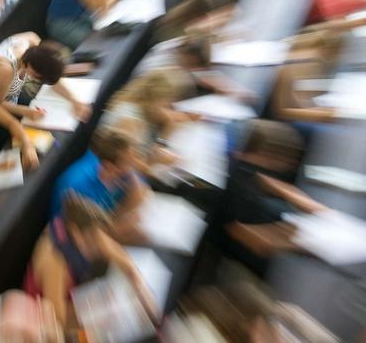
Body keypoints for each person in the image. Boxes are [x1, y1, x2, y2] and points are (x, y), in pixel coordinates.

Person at [24, 195, 159, 330]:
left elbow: (125, 261)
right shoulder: (54, 261)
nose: (97, 244)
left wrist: (141, 289)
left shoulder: (89, 231)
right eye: (90, 241)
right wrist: (99, 314)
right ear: (75, 231)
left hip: (76, 296)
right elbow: (58, 319)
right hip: (44, 313)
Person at [220, 119, 328, 274]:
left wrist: (317, 209)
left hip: (274, 225)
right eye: (288, 160)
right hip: (245, 257)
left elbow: (279, 186)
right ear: (266, 156)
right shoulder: (236, 190)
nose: (290, 164)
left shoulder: (247, 166)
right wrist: (308, 243)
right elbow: (252, 239)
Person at [50, 127, 147, 239]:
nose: (133, 165)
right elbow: (76, 235)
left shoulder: (118, 169)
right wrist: (117, 228)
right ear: (110, 167)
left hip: (99, 224)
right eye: (128, 163)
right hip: (69, 235)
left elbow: (141, 193)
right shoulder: (78, 190)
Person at [100, 67, 196, 176]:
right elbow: (130, 170)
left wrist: (168, 127)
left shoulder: (143, 106)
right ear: (155, 98)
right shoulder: (129, 121)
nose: (170, 109)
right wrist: (157, 161)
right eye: (168, 104)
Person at [0, 32, 90, 119]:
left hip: (13, 96)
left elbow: (50, 78)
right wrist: (26, 111)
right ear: (29, 65)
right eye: (37, 77)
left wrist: (75, 101)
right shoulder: (5, 69)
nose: (38, 81)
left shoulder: (33, 41)